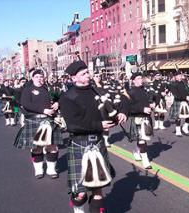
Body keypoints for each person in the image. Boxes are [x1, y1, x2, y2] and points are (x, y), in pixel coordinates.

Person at [59, 61, 127, 213]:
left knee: (98, 190)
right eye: (83, 74)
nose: (88, 75)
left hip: (97, 142)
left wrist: (122, 112)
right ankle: (78, 208)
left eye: (87, 72)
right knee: (80, 193)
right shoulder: (68, 97)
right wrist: (99, 125)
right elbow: (72, 125)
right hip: (79, 143)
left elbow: (120, 100)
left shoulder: (98, 91)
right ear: (73, 78)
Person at [14, 70, 62, 179]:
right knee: (37, 148)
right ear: (33, 78)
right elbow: (25, 104)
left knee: (53, 147)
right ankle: (39, 170)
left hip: (49, 120)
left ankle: (51, 169)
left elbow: (60, 97)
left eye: (41, 77)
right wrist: (43, 110)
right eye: (37, 77)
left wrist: (57, 103)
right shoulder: (27, 90)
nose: (39, 79)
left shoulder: (48, 89)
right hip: (34, 120)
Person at [128, 72, 155, 169]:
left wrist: (151, 105)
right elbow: (129, 108)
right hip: (137, 118)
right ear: (134, 80)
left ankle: (136, 150)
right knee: (142, 140)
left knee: (143, 139)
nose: (141, 80)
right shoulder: (131, 92)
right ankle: (145, 160)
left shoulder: (145, 90)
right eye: (138, 78)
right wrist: (142, 109)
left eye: (141, 78)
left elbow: (149, 101)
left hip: (146, 118)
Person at [169, 70, 189, 136]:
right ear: (175, 77)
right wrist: (185, 97)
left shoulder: (184, 83)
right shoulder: (173, 85)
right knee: (178, 117)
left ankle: (185, 127)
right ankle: (178, 130)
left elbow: (188, 90)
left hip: (185, 101)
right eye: (178, 75)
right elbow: (176, 95)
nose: (180, 77)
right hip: (178, 101)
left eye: (180, 75)